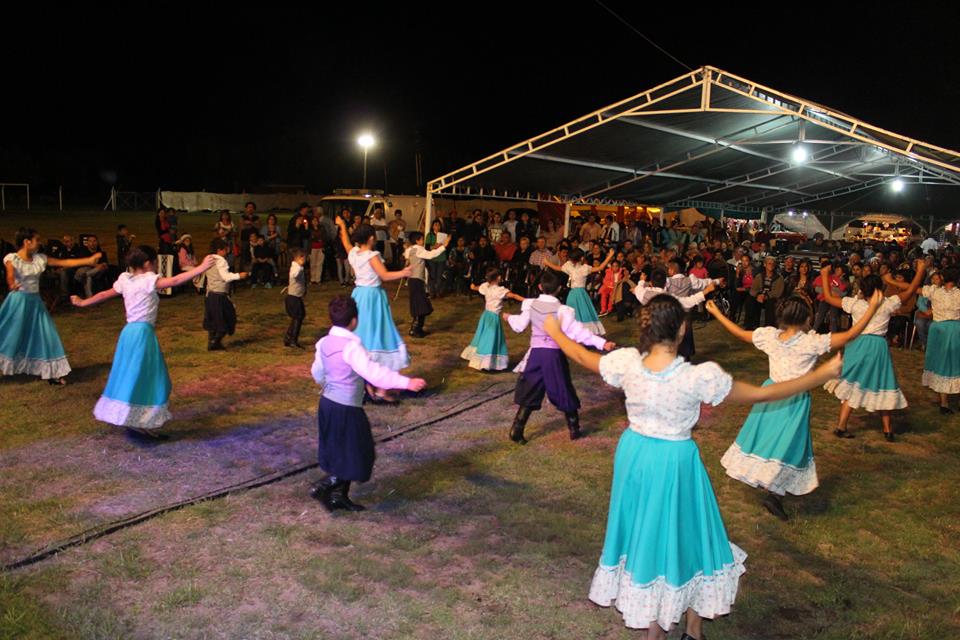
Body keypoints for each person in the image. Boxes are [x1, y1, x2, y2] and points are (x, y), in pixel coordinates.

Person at [543, 294, 843, 639]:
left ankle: (682, 625)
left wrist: (554, 329)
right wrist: (820, 375)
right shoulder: (696, 377)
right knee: (680, 532)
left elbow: (582, 355)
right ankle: (680, 626)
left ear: (646, 327)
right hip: (672, 461)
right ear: (682, 329)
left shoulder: (627, 363)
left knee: (656, 531)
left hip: (636, 456)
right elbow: (762, 395)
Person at [706, 290, 882, 520]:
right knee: (789, 445)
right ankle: (774, 493)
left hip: (770, 394)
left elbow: (740, 333)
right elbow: (849, 335)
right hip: (794, 399)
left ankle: (772, 488)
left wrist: (717, 312)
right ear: (805, 319)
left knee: (769, 440)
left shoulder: (770, 336)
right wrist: (873, 308)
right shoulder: (810, 341)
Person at [70, 247, 216, 435]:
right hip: (142, 335)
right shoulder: (148, 280)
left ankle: (134, 417)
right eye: (155, 262)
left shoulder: (127, 280)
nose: (156, 266)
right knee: (151, 377)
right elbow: (176, 280)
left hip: (129, 333)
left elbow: (103, 295)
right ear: (148, 263)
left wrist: (82, 302)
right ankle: (142, 420)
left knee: (133, 374)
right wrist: (202, 267)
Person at [309, 296, 427, 511]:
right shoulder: (351, 347)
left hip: (327, 403)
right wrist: (407, 382)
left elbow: (317, 372)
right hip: (345, 408)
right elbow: (375, 373)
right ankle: (326, 485)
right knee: (360, 451)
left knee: (341, 450)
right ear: (354, 320)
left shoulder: (324, 342)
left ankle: (338, 497)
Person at [504, 269, 615, 444]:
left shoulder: (531, 304)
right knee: (562, 388)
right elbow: (578, 333)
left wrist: (509, 317)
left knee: (531, 389)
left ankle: (517, 428)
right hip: (553, 355)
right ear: (560, 289)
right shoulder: (562, 310)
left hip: (536, 354)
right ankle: (574, 428)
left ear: (540, 286)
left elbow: (519, 326)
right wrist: (601, 343)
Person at [821, 262, 925, 441]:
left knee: (853, 383)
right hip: (877, 347)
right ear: (880, 289)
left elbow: (829, 298)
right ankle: (887, 430)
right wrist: (921, 270)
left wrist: (824, 275)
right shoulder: (887, 304)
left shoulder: (855, 304)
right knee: (883, 383)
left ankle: (841, 426)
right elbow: (911, 291)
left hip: (857, 344)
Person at [1, 228, 102, 384]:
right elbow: (9, 274)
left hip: (35, 303)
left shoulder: (40, 258)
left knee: (47, 335)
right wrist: (11, 283)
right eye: (37, 240)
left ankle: (53, 374)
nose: (39, 242)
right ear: (27, 242)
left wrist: (88, 261)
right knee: (9, 334)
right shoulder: (12, 258)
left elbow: (65, 262)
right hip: (17, 303)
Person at [335, 216, 413, 388]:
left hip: (359, 294)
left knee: (360, 329)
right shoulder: (371, 256)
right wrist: (404, 272)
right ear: (371, 238)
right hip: (372, 297)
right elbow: (384, 275)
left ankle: (359, 368)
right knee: (375, 329)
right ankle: (373, 371)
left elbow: (345, 241)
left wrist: (342, 225)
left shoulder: (354, 253)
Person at [461, 267, 524, 371]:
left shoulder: (486, 287)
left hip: (485, 316)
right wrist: (527, 300)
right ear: (499, 278)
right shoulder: (499, 290)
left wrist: (472, 287)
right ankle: (485, 362)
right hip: (493, 318)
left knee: (484, 337)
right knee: (490, 338)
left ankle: (484, 360)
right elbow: (513, 296)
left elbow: (477, 288)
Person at [542, 248, 614, 335]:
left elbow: (558, 268)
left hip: (572, 295)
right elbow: (600, 267)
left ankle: (574, 332)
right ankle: (585, 334)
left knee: (573, 314)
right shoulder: (584, 268)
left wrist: (547, 262)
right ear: (581, 258)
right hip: (581, 294)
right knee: (584, 314)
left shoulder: (569, 266)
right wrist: (610, 255)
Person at [919, 267, 960, 412]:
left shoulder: (934, 291)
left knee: (941, 363)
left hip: (939, 330)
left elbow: (915, 290)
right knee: (956, 362)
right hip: (956, 329)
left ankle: (944, 403)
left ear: (943, 277)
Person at [204, 238, 249, 351]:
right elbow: (225, 277)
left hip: (210, 294)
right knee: (227, 318)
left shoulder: (208, 258)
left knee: (214, 320)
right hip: (219, 295)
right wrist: (239, 275)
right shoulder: (220, 261)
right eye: (225, 249)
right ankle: (215, 342)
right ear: (220, 250)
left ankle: (212, 342)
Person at [404, 231, 450, 338]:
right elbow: (431, 255)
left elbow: (407, 257)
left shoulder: (410, 249)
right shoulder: (419, 249)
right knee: (421, 304)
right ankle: (415, 329)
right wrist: (444, 246)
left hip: (412, 280)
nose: (423, 242)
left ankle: (417, 328)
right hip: (417, 280)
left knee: (418, 304)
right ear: (417, 240)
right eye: (421, 239)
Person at [284, 248, 308, 349]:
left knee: (298, 316)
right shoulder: (296, 267)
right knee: (298, 317)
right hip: (293, 297)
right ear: (300, 258)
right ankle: (292, 340)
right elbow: (294, 275)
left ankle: (289, 337)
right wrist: (300, 267)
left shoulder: (297, 267)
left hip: (296, 296)